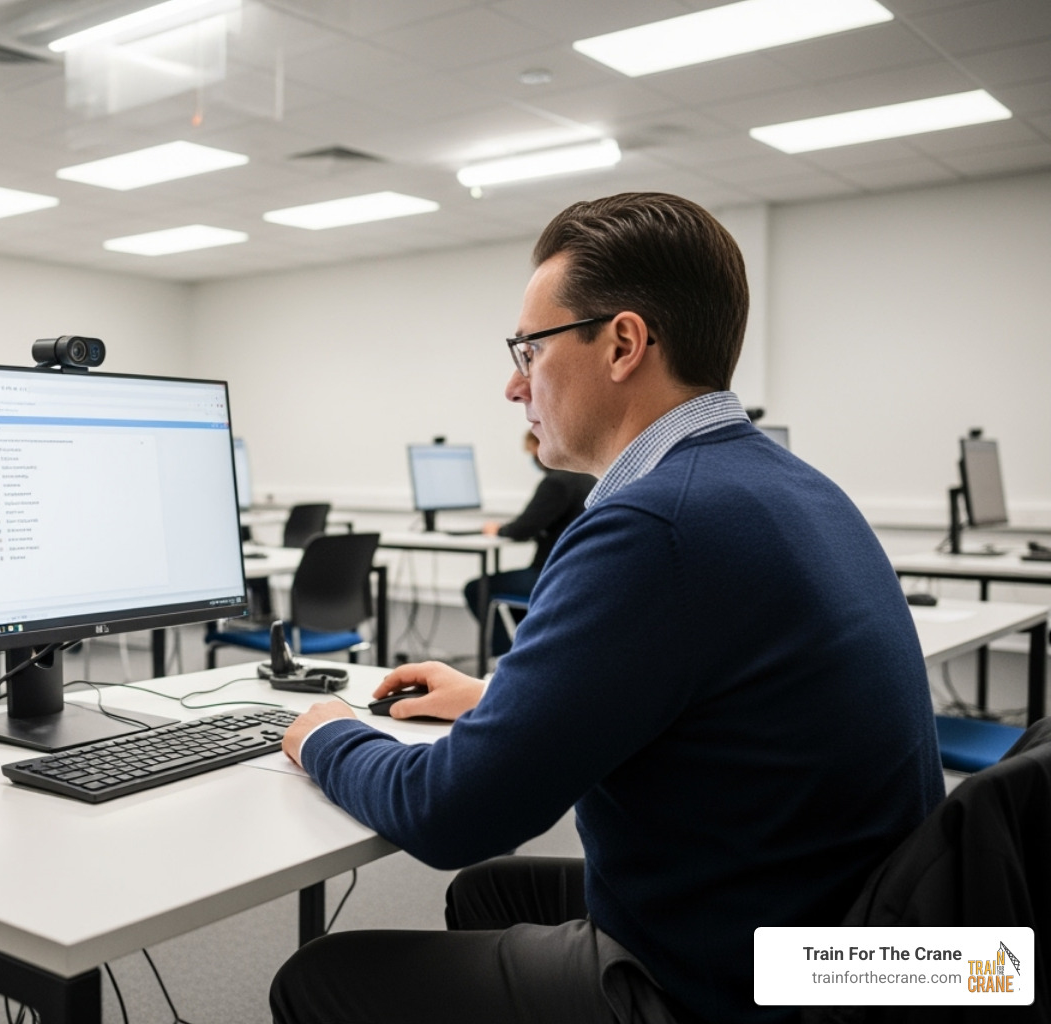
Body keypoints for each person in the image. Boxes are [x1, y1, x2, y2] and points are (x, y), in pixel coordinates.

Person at [272, 193, 942, 1024]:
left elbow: (455, 816)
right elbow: (714, 695)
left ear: (622, 343)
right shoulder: (787, 487)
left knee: (322, 975)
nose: (515, 383)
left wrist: (326, 732)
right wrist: (499, 699)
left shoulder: (653, 524)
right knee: (494, 898)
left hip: (746, 984)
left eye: (530, 347)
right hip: (863, 951)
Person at [464, 431, 594, 655]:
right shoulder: (587, 477)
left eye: (532, 451)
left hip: (549, 575)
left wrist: (498, 529)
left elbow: (522, 529)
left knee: (477, 588)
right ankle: (526, 649)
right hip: (576, 574)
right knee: (507, 594)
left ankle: (505, 655)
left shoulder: (556, 482)